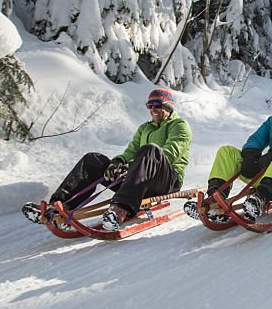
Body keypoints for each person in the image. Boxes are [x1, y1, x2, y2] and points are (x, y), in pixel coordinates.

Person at [22, 88, 192, 231]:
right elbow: (131, 151)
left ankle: (120, 210)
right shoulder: (144, 128)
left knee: (150, 150)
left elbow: (171, 152)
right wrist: (118, 163)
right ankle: (59, 206)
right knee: (92, 160)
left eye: (157, 105)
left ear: (168, 107)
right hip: (139, 180)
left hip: (166, 181)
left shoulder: (179, 125)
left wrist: (133, 166)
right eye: (150, 105)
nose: (153, 109)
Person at [185, 76, 272, 222]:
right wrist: (251, 155)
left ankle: (261, 199)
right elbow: (256, 139)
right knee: (227, 152)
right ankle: (214, 199)